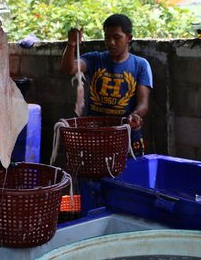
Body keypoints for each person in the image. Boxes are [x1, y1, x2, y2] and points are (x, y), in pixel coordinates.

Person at [61, 13, 153, 157]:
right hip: (95, 136)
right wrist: (71, 44)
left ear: (129, 38)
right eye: (107, 37)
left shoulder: (140, 65)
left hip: (126, 137)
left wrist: (135, 115)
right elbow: (69, 69)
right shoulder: (94, 59)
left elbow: (143, 104)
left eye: (116, 37)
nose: (111, 42)